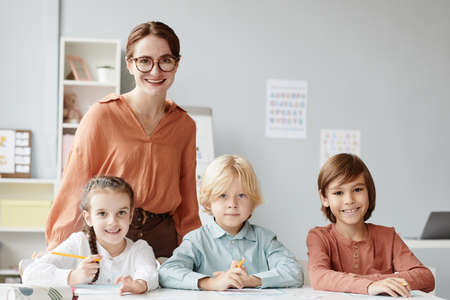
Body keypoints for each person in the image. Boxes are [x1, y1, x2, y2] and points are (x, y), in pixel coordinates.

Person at [46, 21, 201, 257]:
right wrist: (57, 254)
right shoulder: (101, 115)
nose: (155, 71)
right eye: (144, 61)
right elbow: (74, 187)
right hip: (109, 235)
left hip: (162, 240)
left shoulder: (184, 125)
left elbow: (188, 200)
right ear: (130, 64)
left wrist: (195, 252)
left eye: (165, 60)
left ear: (176, 65)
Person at [159, 154, 303, 290]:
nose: (232, 204)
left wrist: (251, 280)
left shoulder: (265, 239)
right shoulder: (196, 240)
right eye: (223, 195)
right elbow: (166, 272)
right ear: (208, 202)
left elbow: (294, 272)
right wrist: (210, 282)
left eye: (241, 195)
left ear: (252, 202)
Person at [307, 153, 435, 297]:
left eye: (357, 190)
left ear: (369, 192)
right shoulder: (318, 237)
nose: (349, 200)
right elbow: (318, 276)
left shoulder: (388, 237)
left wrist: (370, 281)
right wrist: (370, 285)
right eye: (338, 192)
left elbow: (426, 277)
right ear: (324, 198)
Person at [23, 176, 159, 294]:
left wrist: (139, 285)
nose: (112, 222)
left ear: (130, 216)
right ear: (88, 218)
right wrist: (73, 276)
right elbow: (31, 273)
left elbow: (149, 272)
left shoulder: (140, 249)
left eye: (121, 212)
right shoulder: (78, 243)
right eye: (102, 213)